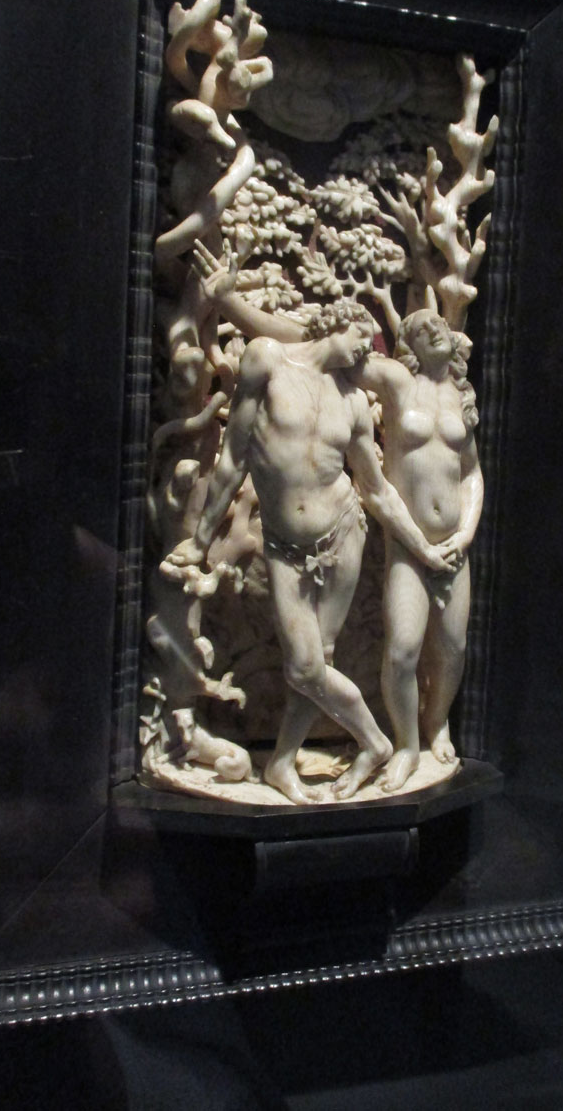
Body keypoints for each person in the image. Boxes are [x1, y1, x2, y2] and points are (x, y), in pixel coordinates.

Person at [162, 297, 457, 803]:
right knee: (305, 668)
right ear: (340, 322)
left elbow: (377, 491)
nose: (368, 349)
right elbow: (233, 457)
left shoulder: (354, 401)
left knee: (320, 658)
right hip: (284, 546)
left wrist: (424, 551)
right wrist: (201, 540)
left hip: (344, 533)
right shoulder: (268, 359)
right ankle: (375, 742)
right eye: (364, 335)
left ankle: (281, 763)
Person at [356, 309, 484, 792]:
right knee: (403, 650)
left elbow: (472, 474)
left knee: (453, 648)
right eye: (420, 326)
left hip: (453, 546)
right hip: (408, 546)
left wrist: (466, 532)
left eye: (439, 324)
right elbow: (341, 357)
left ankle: (436, 721)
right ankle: (406, 744)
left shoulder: (459, 395)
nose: (434, 327)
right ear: (407, 344)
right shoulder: (396, 380)